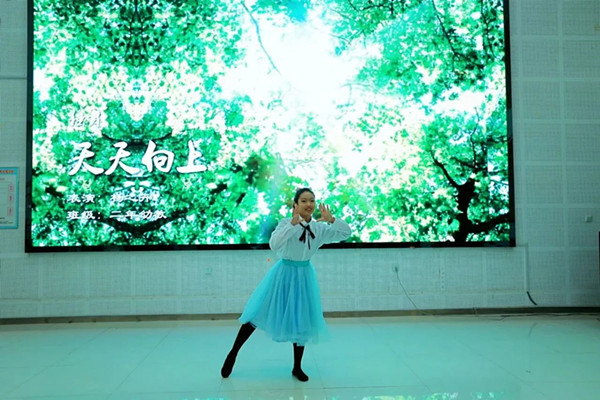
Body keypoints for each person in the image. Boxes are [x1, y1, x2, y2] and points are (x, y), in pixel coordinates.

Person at [220, 187, 352, 382]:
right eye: (304, 200)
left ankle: (297, 367)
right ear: (295, 205)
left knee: (301, 319)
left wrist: (331, 220)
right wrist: (292, 224)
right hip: (283, 274)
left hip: (304, 276)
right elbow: (274, 245)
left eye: (312, 200)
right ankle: (233, 353)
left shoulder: (320, 228)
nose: (309, 204)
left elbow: (345, 233)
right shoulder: (286, 223)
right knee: (258, 312)